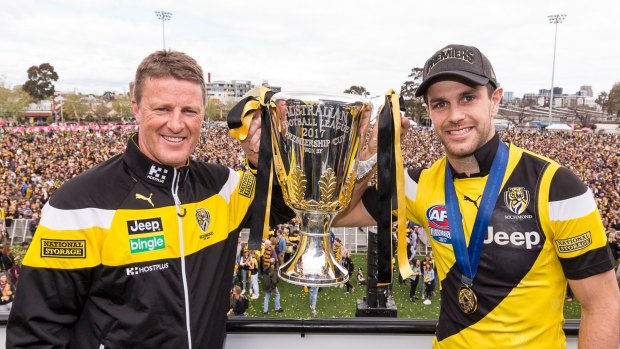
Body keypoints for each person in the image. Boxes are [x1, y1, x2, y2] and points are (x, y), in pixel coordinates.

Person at [335, 44, 620, 348]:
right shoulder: (418, 185)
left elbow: (602, 305)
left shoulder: (556, 188)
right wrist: (371, 154)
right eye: (440, 104)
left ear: (494, 101)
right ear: (429, 111)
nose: (455, 115)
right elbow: (341, 214)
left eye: (468, 98)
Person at [7, 50, 294, 348]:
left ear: (203, 115)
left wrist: (262, 157)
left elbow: (279, 209)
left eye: (189, 111)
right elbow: (34, 335)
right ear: (136, 109)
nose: (176, 124)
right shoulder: (78, 202)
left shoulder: (222, 186)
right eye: (162, 109)